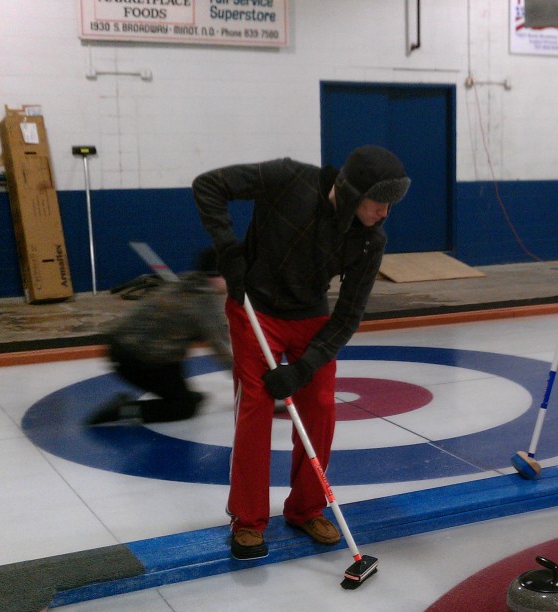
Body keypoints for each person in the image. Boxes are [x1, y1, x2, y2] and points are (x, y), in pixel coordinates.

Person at [192, 145, 410, 560]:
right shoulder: (289, 177)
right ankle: (248, 519)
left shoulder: (369, 240)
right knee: (255, 408)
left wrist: (305, 367)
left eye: (390, 205)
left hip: (311, 316)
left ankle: (306, 508)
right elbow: (209, 186)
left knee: (321, 407)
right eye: (378, 202)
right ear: (350, 191)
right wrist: (227, 248)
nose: (384, 213)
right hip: (254, 307)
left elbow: (347, 315)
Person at [87, 250, 233, 425]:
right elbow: (222, 350)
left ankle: (178, 395)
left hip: (134, 348)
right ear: (218, 276)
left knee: (187, 394)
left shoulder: (188, 281)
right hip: (135, 358)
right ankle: (124, 409)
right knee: (184, 407)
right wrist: (257, 385)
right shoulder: (203, 303)